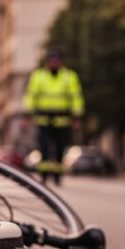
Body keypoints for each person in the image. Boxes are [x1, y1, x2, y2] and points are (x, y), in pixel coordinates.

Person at [23, 49, 84, 185]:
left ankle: (57, 175)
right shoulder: (38, 76)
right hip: (43, 118)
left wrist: (77, 117)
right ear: (47, 62)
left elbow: (76, 97)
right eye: (52, 61)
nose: (54, 63)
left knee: (60, 148)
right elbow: (30, 96)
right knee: (44, 147)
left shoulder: (70, 76)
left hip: (62, 118)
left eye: (56, 61)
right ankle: (44, 175)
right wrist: (27, 114)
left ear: (61, 62)